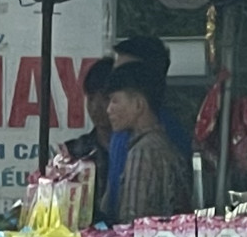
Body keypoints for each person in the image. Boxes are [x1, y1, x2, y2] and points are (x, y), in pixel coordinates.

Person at [107, 36, 189, 218]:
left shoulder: (146, 148)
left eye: (115, 100)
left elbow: (132, 220)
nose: (108, 109)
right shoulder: (127, 136)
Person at [63, 57, 115, 220]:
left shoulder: (135, 150)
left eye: (106, 98)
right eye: (91, 98)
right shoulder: (74, 151)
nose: (96, 106)